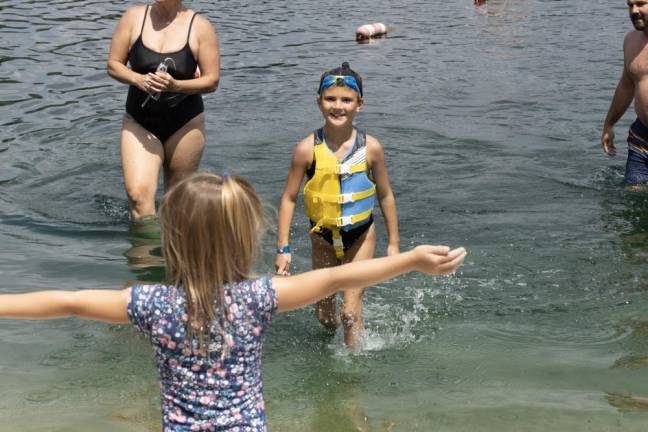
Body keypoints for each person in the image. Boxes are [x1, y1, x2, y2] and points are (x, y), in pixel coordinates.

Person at [0, 173, 466, 431]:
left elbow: (70, 301)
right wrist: (409, 261)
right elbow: (339, 276)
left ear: (173, 238)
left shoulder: (149, 304)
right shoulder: (259, 298)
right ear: (242, 238)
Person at [275, 62, 400, 347]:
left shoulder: (371, 148)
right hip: (323, 239)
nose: (338, 106)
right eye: (330, 99)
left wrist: (393, 242)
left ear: (360, 104)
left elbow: (386, 195)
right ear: (319, 102)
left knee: (348, 314)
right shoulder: (306, 149)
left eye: (346, 100)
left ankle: (352, 375)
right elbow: (289, 198)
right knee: (324, 314)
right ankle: (336, 345)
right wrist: (283, 248)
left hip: (361, 236)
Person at [107, 1, 220, 220]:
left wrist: (175, 86)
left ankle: (172, 251)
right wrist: (137, 78)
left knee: (177, 205)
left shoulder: (200, 26)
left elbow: (212, 80)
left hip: (185, 124)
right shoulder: (133, 17)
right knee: (138, 197)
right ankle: (145, 254)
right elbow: (113, 64)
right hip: (139, 121)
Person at [601, 0, 648, 187]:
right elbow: (627, 85)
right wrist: (609, 124)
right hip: (641, 139)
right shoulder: (631, 41)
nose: (634, 11)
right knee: (633, 202)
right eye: (630, 5)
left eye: (641, 4)